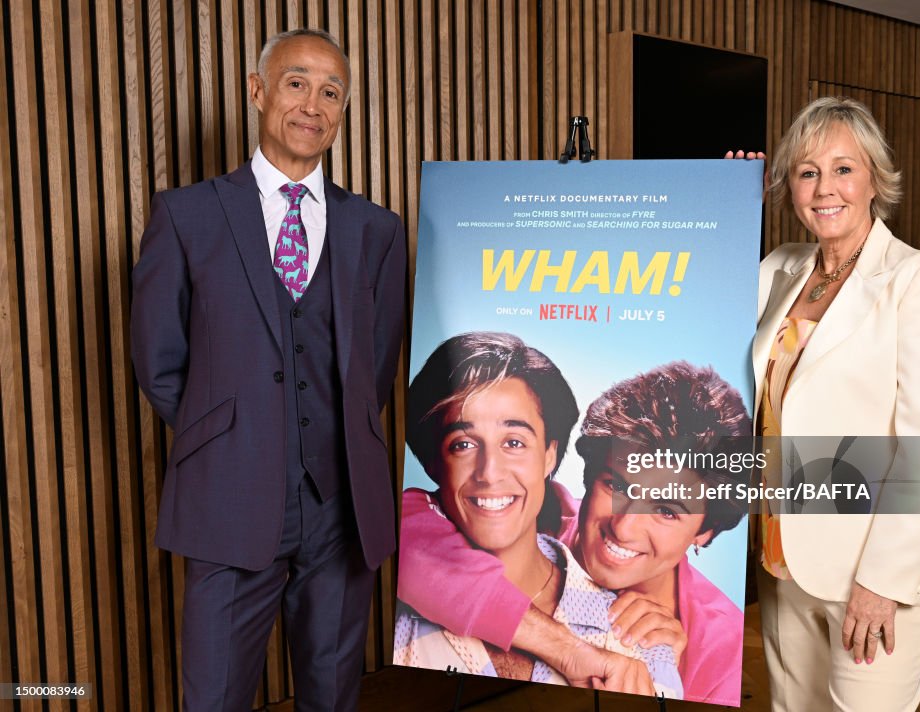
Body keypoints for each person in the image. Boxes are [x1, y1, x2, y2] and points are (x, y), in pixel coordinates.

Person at [130, 28, 406, 711]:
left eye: (331, 91)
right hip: (228, 504)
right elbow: (158, 361)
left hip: (341, 510)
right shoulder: (187, 215)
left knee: (333, 697)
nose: (313, 104)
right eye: (296, 83)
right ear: (258, 92)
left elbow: (373, 366)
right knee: (216, 698)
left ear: (342, 112)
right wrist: (232, 434)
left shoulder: (376, 230)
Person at [740, 96, 920, 710]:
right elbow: (696, 306)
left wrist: (882, 583)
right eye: (807, 172)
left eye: (843, 168)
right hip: (781, 560)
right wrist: (728, 203)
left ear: (874, 180)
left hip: (868, 573)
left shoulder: (917, 279)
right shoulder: (778, 271)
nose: (824, 188)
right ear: (789, 186)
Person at [398, 359, 750, 706]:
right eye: (617, 485)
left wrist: (662, 670)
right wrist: (565, 649)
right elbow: (401, 526)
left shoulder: (720, 644)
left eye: (665, 511)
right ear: (590, 474)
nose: (624, 527)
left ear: (706, 530)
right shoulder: (531, 512)